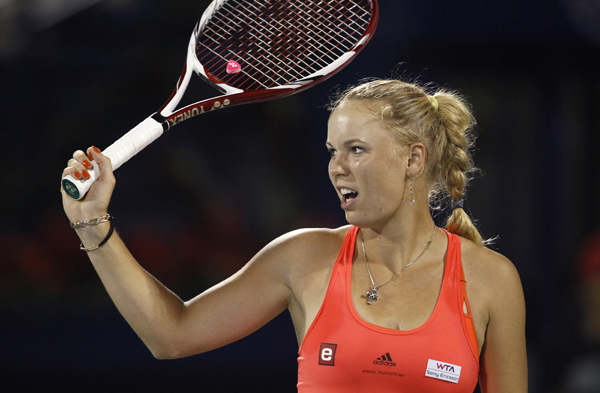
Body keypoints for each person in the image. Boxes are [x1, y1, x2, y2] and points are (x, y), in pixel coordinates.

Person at [61, 78, 527, 392]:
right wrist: (93, 222)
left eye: (356, 150)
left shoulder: (490, 280)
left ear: (414, 159)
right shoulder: (303, 257)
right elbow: (171, 335)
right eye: (332, 151)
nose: (337, 167)